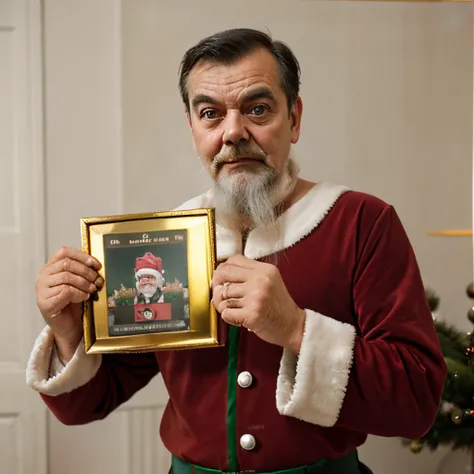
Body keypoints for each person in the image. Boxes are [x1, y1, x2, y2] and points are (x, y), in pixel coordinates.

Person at [26, 28, 447, 474]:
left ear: (295, 119)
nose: (233, 133)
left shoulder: (362, 223)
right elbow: (87, 405)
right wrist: (69, 331)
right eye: (210, 113)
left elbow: (416, 402)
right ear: (193, 128)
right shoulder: (165, 244)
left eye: (258, 110)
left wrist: (295, 327)